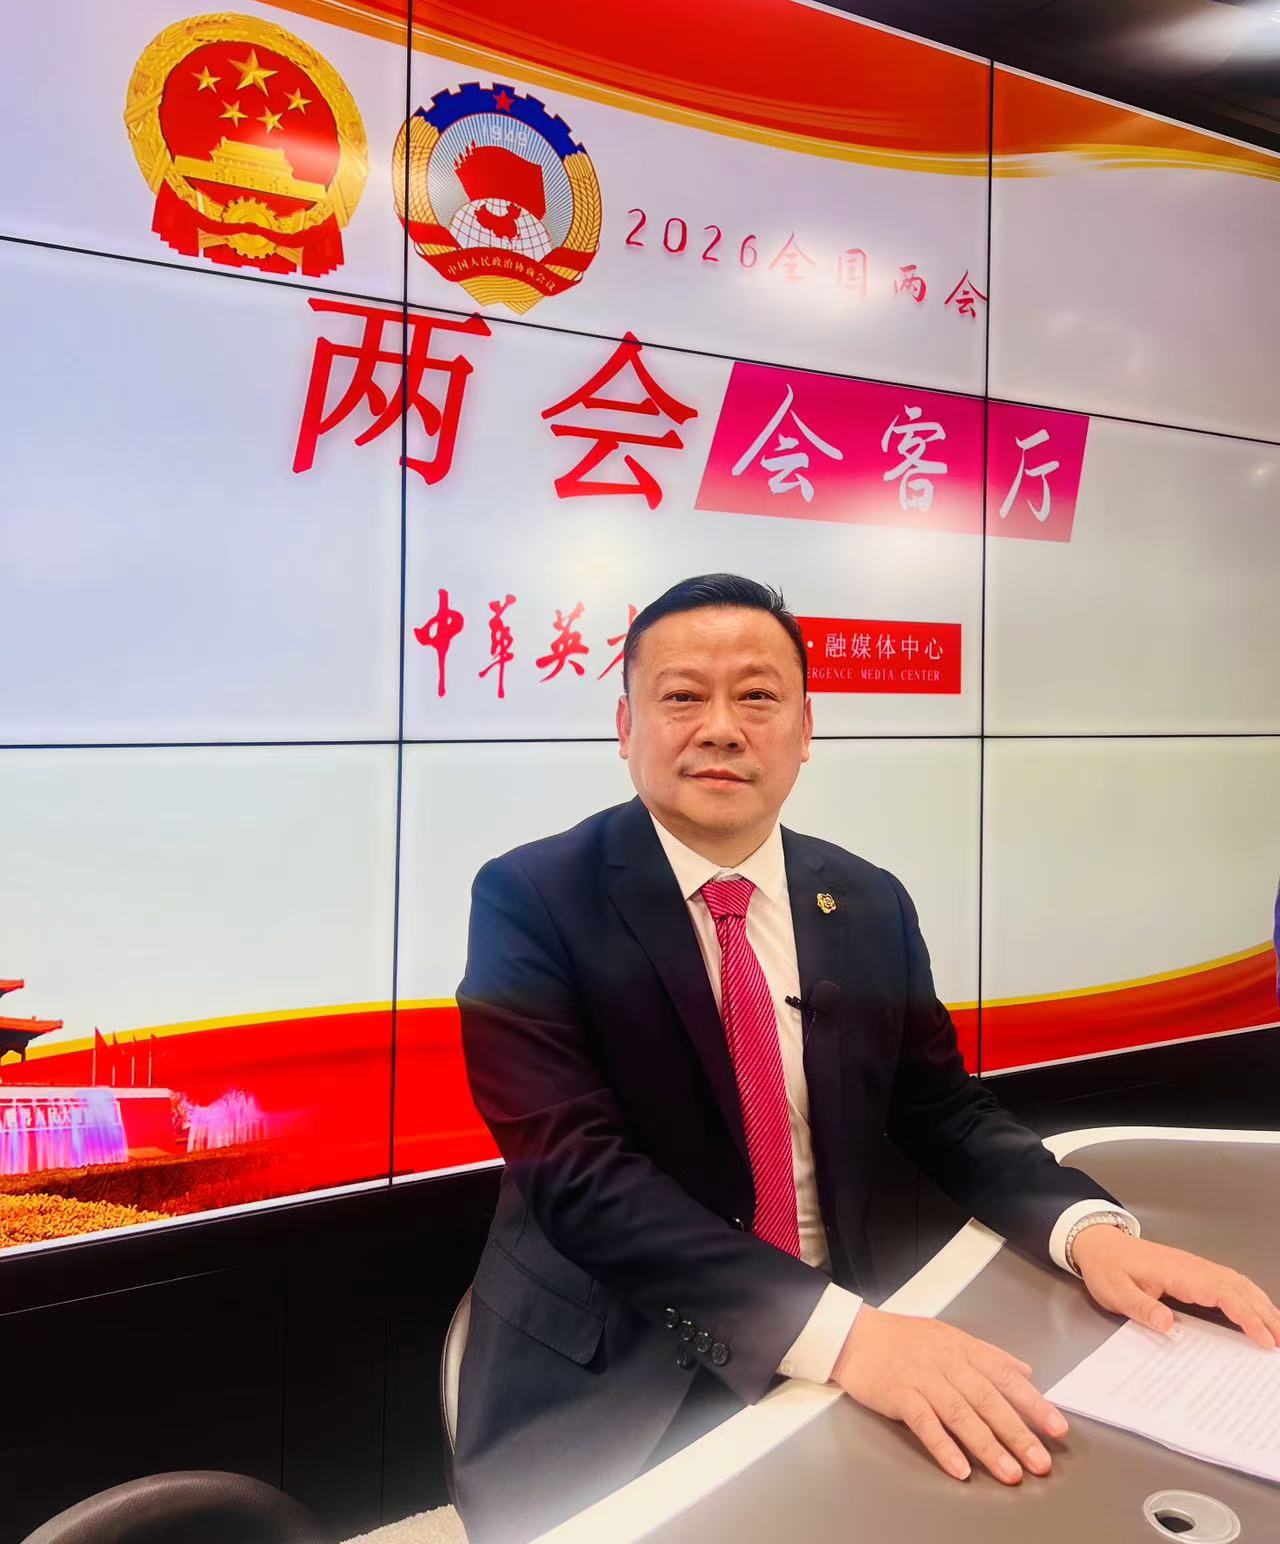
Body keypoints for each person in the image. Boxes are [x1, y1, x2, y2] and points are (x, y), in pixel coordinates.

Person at [452, 574, 1280, 1543]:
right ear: (625, 725)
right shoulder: (530, 898)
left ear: (805, 728)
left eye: (756, 695)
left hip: (841, 1337)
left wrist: (1091, 1233)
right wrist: (847, 1336)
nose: (720, 728)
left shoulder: (865, 899)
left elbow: (943, 1108)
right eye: (681, 696)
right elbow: (577, 1176)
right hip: (618, 1362)